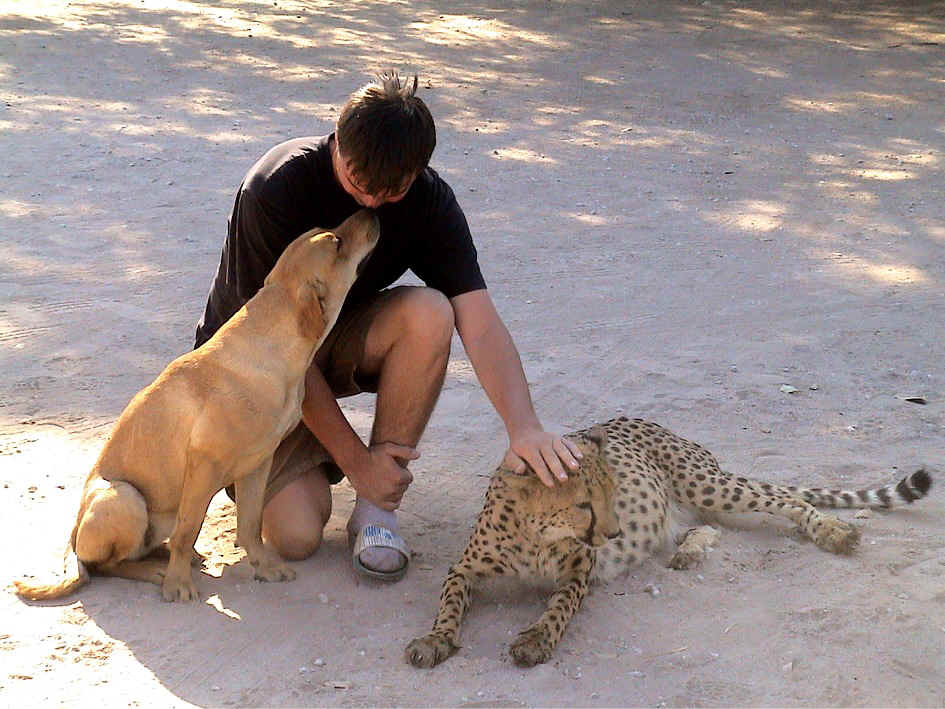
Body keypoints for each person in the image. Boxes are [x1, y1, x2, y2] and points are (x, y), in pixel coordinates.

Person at [195, 72, 583, 582]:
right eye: (359, 183)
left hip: (329, 340)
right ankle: (342, 469)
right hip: (253, 372)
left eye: (392, 191)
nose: (372, 203)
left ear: (417, 172)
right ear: (337, 140)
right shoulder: (277, 187)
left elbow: (480, 321)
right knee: (296, 537)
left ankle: (377, 510)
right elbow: (279, 355)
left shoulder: (429, 202)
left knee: (431, 312)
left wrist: (523, 425)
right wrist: (355, 462)